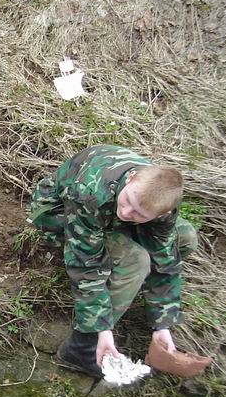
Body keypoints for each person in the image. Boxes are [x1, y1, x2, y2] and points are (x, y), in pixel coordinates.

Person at [28, 144, 198, 378]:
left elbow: (165, 260)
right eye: (128, 201)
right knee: (136, 262)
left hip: (108, 214)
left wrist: (162, 325)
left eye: (139, 213)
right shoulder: (89, 191)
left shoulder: (161, 204)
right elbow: (85, 266)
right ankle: (81, 347)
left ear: (159, 215)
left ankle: (123, 295)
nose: (127, 212)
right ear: (130, 178)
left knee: (186, 238)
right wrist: (102, 328)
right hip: (57, 211)